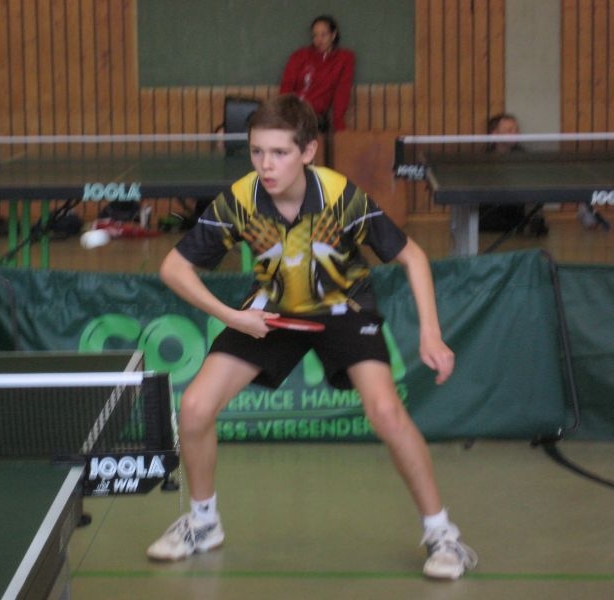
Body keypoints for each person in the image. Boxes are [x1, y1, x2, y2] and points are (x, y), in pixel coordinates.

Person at [147, 94, 478, 580]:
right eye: (257, 152)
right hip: (273, 311)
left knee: (386, 413)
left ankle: (442, 534)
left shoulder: (340, 196)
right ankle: (203, 523)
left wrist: (431, 332)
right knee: (195, 406)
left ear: (307, 151)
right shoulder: (240, 199)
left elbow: (412, 256)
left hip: (344, 308)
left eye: (279, 153)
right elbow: (173, 268)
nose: (266, 165)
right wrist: (233, 318)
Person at [280, 15, 355, 133]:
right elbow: (286, 87)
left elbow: (342, 92)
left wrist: (339, 124)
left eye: (323, 35)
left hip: (316, 117)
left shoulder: (344, 59)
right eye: (315, 35)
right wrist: (285, 115)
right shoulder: (299, 56)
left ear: (333, 35)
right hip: (293, 114)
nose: (319, 40)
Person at [481, 113, 549, 236]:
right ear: (494, 134)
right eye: (509, 130)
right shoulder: (482, 158)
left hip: (515, 206)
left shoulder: (525, 156)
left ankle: (533, 222)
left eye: (516, 130)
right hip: (491, 209)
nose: (515, 133)